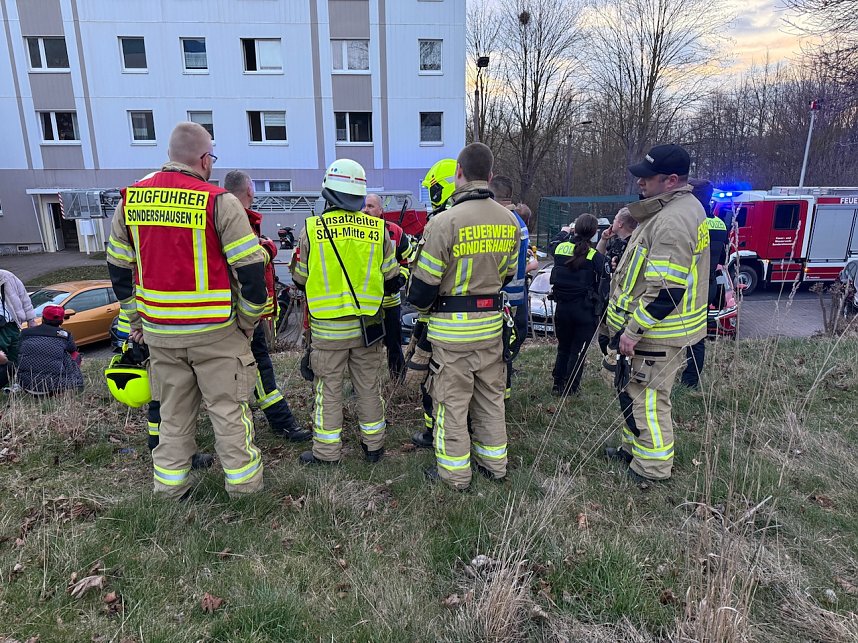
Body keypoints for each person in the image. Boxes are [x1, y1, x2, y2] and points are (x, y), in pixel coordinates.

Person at [106, 121, 268, 499]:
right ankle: (244, 491)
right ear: (203, 159)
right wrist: (246, 322)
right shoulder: (219, 202)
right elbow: (250, 272)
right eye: (211, 155)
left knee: (172, 414)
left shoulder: (131, 200)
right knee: (228, 412)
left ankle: (169, 489)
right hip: (216, 333)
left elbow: (117, 268)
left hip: (161, 334)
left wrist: (136, 319)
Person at [407, 142, 521, 490]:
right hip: (491, 327)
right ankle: (494, 465)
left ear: (458, 173)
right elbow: (508, 277)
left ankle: (454, 474)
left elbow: (423, 290)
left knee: (452, 404)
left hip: (451, 333)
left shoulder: (443, 223)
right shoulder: (509, 220)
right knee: (490, 399)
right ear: (489, 175)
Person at [603, 143, 710, 484]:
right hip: (660, 330)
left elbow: (666, 292)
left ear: (671, 180)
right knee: (633, 392)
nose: (640, 183)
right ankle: (631, 449)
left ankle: (651, 469)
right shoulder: (678, 210)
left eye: (647, 178)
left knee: (648, 399)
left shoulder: (673, 222)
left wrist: (632, 331)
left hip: (657, 334)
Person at [291, 159, 400, 465]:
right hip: (368, 328)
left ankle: (326, 454)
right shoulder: (379, 230)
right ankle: (374, 447)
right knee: (368, 387)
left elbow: (299, 278)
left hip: (328, 331)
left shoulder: (313, 228)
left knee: (328, 391)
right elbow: (392, 278)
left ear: (329, 191)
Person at [223, 170, 311, 440]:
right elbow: (247, 262)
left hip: (235, 311)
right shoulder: (235, 219)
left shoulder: (227, 215)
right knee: (260, 366)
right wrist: (268, 249)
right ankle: (281, 421)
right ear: (250, 190)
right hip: (243, 312)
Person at [408, 158, 459, 449]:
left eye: (433, 190)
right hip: (487, 321)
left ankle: (434, 433)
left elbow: (425, 282)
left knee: (433, 381)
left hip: (438, 319)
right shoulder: (491, 217)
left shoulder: (440, 224)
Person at [548, 213, 607, 396]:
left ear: (575, 228)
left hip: (562, 308)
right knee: (578, 351)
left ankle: (557, 385)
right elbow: (604, 285)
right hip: (585, 311)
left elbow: (552, 244)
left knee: (563, 347)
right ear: (594, 233)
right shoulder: (595, 256)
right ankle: (572, 388)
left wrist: (565, 232)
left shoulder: (559, 248)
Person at [489, 175, 534, 400]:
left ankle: (499, 394)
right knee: (506, 346)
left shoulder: (501, 221)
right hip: (515, 297)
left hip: (503, 298)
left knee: (501, 348)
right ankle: (503, 393)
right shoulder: (519, 221)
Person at [680, 178, 726, 389]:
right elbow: (722, 259)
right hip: (708, 285)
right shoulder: (720, 224)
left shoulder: (691, 222)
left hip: (687, 285)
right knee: (698, 335)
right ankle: (691, 380)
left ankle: (676, 377)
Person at [363, 192, 414, 380]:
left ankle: (397, 382)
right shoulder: (356, 233)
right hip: (365, 305)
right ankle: (366, 384)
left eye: (370, 206)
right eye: (364, 206)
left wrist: (399, 280)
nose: (366, 210)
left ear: (381, 210)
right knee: (366, 349)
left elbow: (406, 262)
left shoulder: (395, 232)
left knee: (394, 344)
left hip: (390, 302)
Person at [595, 208, 638, 364]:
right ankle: (609, 361)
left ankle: (615, 366)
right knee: (603, 336)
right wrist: (604, 239)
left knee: (615, 339)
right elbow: (599, 258)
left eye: (614, 219)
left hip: (620, 303)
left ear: (620, 224)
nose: (612, 222)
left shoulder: (633, 245)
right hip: (606, 297)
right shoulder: (615, 242)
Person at [16, 305, 84, 394]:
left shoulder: (25, 333)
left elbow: (18, 349)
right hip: (55, 386)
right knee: (74, 354)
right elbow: (73, 349)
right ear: (61, 320)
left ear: (43, 318)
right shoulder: (65, 335)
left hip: (26, 385)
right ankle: (74, 381)